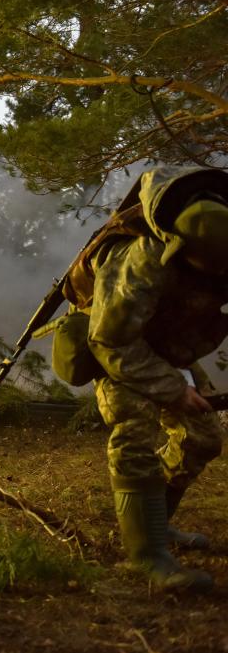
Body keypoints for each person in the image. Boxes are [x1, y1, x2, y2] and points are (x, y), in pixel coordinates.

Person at [85, 165, 228, 593]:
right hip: (118, 342)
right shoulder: (142, 261)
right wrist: (172, 390)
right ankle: (146, 555)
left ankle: (157, 524)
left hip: (168, 342)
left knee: (204, 438)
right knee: (134, 431)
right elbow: (110, 340)